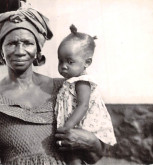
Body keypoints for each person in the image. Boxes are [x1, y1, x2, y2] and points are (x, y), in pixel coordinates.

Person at [0, 7, 107, 165]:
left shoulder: (67, 90)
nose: (20, 51)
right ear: (0, 49)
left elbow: (96, 156)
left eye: (27, 43)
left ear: (37, 49)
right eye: (12, 44)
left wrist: (87, 141)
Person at [55, 24, 117, 164]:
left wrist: (68, 126)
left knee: (74, 156)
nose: (63, 65)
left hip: (83, 127)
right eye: (60, 61)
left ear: (87, 62)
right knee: (71, 157)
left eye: (70, 62)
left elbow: (83, 105)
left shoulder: (82, 82)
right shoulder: (68, 83)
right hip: (74, 128)